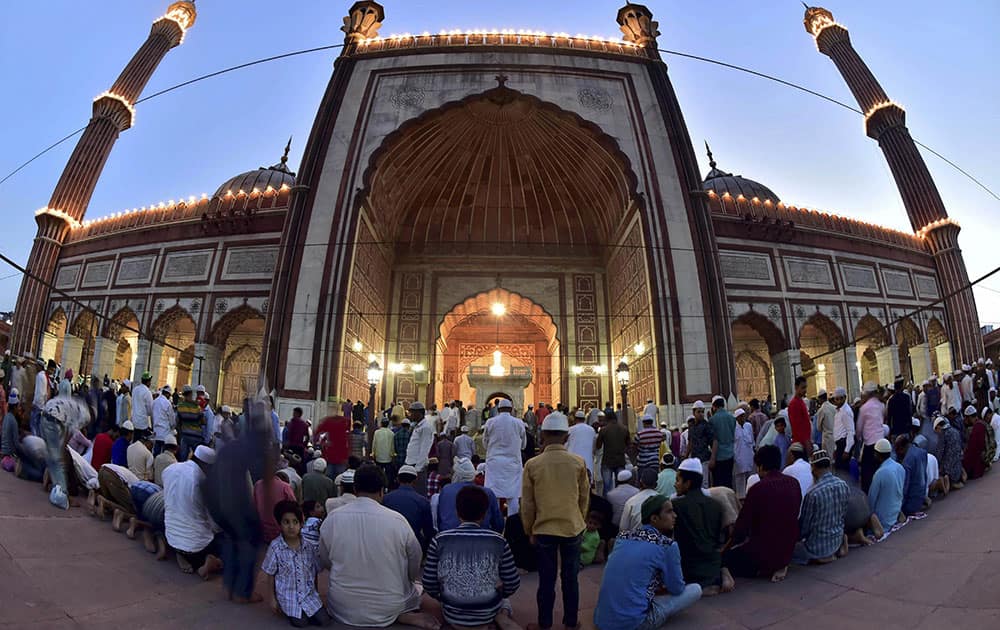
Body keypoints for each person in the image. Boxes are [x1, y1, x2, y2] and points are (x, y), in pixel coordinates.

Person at [318, 464, 439, 629]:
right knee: (418, 588)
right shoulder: (398, 521)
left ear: (355, 488)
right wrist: (408, 580)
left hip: (342, 608)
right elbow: (414, 561)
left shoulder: (332, 518)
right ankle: (398, 615)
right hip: (391, 605)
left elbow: (326, 562)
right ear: (383, 491)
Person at [520, 410, 590, 630]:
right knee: (571, 579)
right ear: (566, 437)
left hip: (544, 529)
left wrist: (529, 529)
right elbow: (584, 497)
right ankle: (571, 622)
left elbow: (528, 503)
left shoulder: (532, 465)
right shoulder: (578, 463)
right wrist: (580, 521)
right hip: (572, 527)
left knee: (546, 580)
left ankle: (545, 623)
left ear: (542, 435)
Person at [594, 494, 701, 630]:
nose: (675, 515)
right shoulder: (667, 545)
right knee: (695, 589)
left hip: (601, 620)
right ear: (654, 518)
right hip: (635, 623)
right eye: (669, 511)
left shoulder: (623, 537)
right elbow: (677, 588)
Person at [423, 485, 521, 630]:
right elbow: (512, 582)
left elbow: (428, 583)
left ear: (457, 512)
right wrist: (497, 594)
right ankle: (501, 616)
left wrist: (445, 596)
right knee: (504, 601)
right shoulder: (498, 541)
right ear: (484, 514)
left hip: (452, 613)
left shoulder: (439, 540)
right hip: (487, 611)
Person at [723, 444, 800, 582]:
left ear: (761, 467)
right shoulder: (794, 483)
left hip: (763, 555)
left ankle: (763, 569)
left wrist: (725, 549)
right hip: (788, 552)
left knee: (726, 560)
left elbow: (741, 530)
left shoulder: (758, 489)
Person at [262, 500, 331, 628]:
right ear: (279, 524)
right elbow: (270, 574)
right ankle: (293, 613)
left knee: (325, 621)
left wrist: (315, 592)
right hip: (289, 597)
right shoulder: (276, 547)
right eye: (286, 522)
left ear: (301, 524)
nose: (291, 526)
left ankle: (311, 612)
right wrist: (272, 599)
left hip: (308, 595)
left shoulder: (308, 547)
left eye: (295, 522)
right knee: (301, 622)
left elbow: (314, 572)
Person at [671, 458, 734, 595]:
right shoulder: (716, 505)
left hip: (690, 571)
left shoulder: (677, 506)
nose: (675, 484)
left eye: (678, 480)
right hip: (713, 568)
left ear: (687, 483)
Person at [162, 445, 220, 577]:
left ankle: (179, 554)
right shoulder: (202, 482)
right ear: (207, 466)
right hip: (197, 547)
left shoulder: (169, 469)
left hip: (170, 537)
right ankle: (206, 562)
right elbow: (214, 523)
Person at [795, 449, 850, 564]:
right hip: (836, 540)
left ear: (813, 468)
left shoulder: (812, 494)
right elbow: (843, 515)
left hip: (816, 547)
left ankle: (821, 557)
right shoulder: (843, 485)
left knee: (792, 551)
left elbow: (804, 529)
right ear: (829, 466)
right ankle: (837, 549)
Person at [436, 457, 504, 533]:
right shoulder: (487, 492)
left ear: (456, 474)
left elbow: (440, 520)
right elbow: (498, 524)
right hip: (482, 539)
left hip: (448, 539)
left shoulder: (446, 490)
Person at [383, 464, 436, 551]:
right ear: (416, 480)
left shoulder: (386, 498)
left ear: (398, 479)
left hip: (389, 544)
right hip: (413, 545)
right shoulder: (422, 501)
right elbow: (428, 532)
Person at [483, 398, 527, 504]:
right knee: (513, 497)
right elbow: (523, 445)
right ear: (511, 409)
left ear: (498, 409)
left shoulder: (490, 422)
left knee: (494, 496)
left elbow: (485, 443)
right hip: (513, 463)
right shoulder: (518, 423)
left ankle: (496, 519)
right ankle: (512, 519)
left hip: (494, 462)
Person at [868, 438, 905, 532]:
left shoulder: (880, 473)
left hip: (883, 522)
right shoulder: (900, 467)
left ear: (877, 454)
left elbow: (871, 501)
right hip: (895, 515)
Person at [858, 383, 886, 492]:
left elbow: (859, 429)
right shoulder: (881, 405)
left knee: (867, 474)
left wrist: (859, 438)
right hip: (881, 441)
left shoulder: (864, 408)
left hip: (870, 444)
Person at [255, 471, 297, 543]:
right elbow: (295, 509)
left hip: (262, 532)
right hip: (280, 533)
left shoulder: (257, 485)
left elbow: (254, 506)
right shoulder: (285, 487)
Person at [596, 409, 630, 495]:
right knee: (621, 485)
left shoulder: (603, 430)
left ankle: (608, 506)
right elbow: (628, 445)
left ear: (606, 418)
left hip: (607, 461)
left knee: (607, 487)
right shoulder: (624, 429)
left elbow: (598, 446)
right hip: (620, 460)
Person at [404, 403, 435, 495]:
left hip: (417, 466)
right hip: (411, 463)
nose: (411, 415)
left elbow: (425, 449)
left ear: (419, 413)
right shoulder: (417, 426)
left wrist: (418, 469)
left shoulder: (426, 427)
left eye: (412, 412)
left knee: (418, 492)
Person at [619, 467, 661, 532]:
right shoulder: (663, 500)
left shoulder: (630, 502)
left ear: (640, 482)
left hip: (635, 540)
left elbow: (623, 528)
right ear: (656, 485)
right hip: (657, 541)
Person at [708, 396, 736, 489]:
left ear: (714, 407)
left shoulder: (712, 420)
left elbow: (713, 439)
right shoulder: (731, 418)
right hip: (730, 454)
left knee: (718, 483)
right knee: (728, 481)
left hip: (718, 456)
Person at [896, 435, 928, 516]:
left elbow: (905, 488)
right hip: (922, 495)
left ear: (902, 448)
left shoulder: (907, 462)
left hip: (911, 503)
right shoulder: (922, 452)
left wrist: (898, 507)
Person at [685, 401, 714, 487]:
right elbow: (690, 442)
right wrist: (686, 456)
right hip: (694, 459)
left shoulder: (706, 425)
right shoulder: (691, 426)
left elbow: (714, 441)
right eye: (699, 412)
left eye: (702, 412)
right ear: (693, 413)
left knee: (704, 482)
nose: (701, 414)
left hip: (704, 458)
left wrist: (713, 457)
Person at [314, 414, 350, 481]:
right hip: (341, 458)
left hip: (331, 458)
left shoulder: (328, 423)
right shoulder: (343, 429)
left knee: (329, 478)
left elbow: (317, 433)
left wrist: (324, 444)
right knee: (340, 479)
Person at [934, 416, 965, 489]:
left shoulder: (943, 434)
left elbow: (939, 453)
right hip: (958, 468)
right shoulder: (955, 431)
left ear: (938, 427)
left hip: (949, 470)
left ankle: (948, 482)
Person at [176, 385, 205, 462]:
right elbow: (203, 422)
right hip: (197, 435)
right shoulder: (197, 407)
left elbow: (177, 422)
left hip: (185, 435)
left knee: (183, 458)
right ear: (191, 393)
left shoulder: (180, 406)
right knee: (196, 458)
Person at [567, 410, 597, 482]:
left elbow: (566, 445)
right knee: (587, 482)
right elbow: (594, 446)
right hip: (588, 460)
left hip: (573, 459)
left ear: (575, 419)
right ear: (584, 419)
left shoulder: (570, 429)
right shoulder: (591, 430)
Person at [962, 405, 991, 480]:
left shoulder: (977, 428)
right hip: (985, 458)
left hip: (978, 464)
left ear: (969, 417)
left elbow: (973, 450)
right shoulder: (982, 424)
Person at [786, 376, 811, 458]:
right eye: (803, 387)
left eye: (806, 387)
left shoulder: (801, 402)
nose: (805, 390)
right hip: (801, 444)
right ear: (796, 387)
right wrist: (807, 443)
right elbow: (798, 427)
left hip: (805, 442)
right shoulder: (794, 404)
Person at [732, 409, 754, 499]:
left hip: (749, 455)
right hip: (738, 456)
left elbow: (752, 440)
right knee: (740, 479)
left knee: (750, 477)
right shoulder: (734, 428)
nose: (743, 418)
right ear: (736, 418)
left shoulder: (748, 426)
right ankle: (741, 498)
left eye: (743, 416)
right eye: (740, 416)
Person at [636, 415, 666, 481]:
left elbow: (635, 446)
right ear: (652, 422)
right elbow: (664, 438)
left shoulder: (640, 434)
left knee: (642, 482)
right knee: (654, 481)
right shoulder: (659, 433)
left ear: (643, 423)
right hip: (654, 461)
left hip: (642, 463)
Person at [831, 387, 855, 471]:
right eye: (836, 399)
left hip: (843, 444)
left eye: (840, 399)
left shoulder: (846, 411)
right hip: (839, 444)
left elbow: (850, 431)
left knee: (843, 471)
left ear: (844, 398)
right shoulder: (838, 411)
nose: (838, 401)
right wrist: (835, 448)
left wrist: (847, 450)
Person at [151, 385, 174, 456]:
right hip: (165, 432)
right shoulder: (167, 403)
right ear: (167, 394)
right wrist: (173, 427)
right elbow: (172, 419)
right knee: (163, 454)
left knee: (156, 452)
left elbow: (152, 416)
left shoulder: (155, 401)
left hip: (156, 431)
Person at [372, 418, 396, 484]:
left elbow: (374, 444)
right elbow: (392, 446)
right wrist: (393, 455)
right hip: (388, 457)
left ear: (381, 424)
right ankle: (387, 485)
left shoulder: (377, 432)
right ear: (388, 424)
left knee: (378, 473)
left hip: (379, 456)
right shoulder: (391, 433)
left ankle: (379, 484)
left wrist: (373, 453)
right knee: (388, 473)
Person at [815, 389, 837, 456]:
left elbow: (818, 428)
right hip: (836, 435)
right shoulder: (834, 408)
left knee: (828, 458)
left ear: (820, 398)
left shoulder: (821, 410)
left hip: (827, 438)